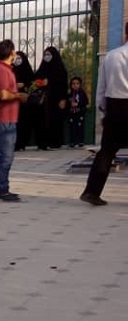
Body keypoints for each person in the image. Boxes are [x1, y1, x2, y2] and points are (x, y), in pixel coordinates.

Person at [81, 22, 128, 206]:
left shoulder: (111, 56)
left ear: (125, 34)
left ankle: (91, 192)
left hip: (115, 106)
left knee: (107, 151)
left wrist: (103, 112)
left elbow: (101, 88)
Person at [0, 39, 28, 202]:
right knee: (5, 157)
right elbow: (3, 94)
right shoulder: (1, 71)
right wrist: (19, 95)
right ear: (11, 53)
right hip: (3, 120)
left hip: (7, 119)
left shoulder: (4, 70)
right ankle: (1, 190)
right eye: (14, 51)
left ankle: (0, 188)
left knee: (5, 156)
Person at [34, 46, 69, 150]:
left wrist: (63, 99)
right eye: (45, 55)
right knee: (42, 121)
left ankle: (55, 142)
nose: (47, 57)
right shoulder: (42, 69)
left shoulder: (61, 70)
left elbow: (63, 85)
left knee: (55, 121)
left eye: (49, 54)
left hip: (56, 100)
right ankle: (42, 143)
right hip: (43, 101)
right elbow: (34, 82)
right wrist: (41, 83)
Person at [13, 51, 36, 151]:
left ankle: (22, 143)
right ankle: (15, 144)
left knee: (24, 122)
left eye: (19, 58)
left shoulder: (28, 71)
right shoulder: (10, 70)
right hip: (13, 100)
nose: (17, 60)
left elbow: (33, 84)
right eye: (15, 58)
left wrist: (25, 87)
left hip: (25, 102)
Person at [67, 76, 88, 148]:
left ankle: (80, 141)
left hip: (80, 113)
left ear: (80, 84)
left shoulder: (82, 93)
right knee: (72, 127)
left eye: (77, 83)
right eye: (73, 84)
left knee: (80, 127)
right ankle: (72, 141)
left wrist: (78, 104)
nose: (75, 85)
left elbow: (86, 101)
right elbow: (67, 102)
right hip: (72, 113)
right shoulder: (70, 93)